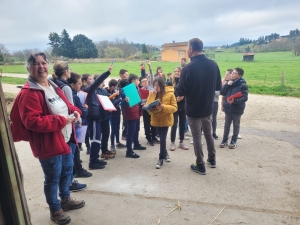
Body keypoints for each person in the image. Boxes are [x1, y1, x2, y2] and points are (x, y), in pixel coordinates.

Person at [10, 52, 85, 224]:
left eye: (44, 63)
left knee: (67, 171)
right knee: (52, 177)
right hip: (48, 143)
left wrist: (75, 111)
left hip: (65, 138)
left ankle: (65, 199)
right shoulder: (29, 92)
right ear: (29, 68)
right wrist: (62, 120)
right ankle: (55, 209)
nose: (41, 66)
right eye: (36, 64)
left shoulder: (52, 85)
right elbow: (31, 121)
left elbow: (67, 104)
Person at [176, 38, 222, 175]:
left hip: (193, 108)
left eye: (187, 49)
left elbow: (180, 91)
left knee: (196, 136)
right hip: (208, 106)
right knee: (208, 134)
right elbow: (218, 86)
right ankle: (212, 159)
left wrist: (178, 85)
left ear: (191, 50)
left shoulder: (187, 68)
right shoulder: (213, 65)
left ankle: (200, 164)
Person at [51, 61, 86, 192]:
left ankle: (69, 182)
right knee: (69, 157)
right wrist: (78, 117)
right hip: (68, 124)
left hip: (62, 125)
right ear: (66, 72)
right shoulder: (65, 87)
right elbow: (70, 107)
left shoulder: (54, 83)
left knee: (68, 156)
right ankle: (69, 183)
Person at [82, 65, 112, 169]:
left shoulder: (93, 90)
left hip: (97, 116)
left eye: (92, 78)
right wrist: (107, 73)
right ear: (85, 81)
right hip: (93, 117)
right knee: (95, 139)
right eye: (90, 79)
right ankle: (93, 162)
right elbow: (96, 83)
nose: (92, 80)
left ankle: (95, 158)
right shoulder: (88, 89)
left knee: (97, 139)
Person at [145, 76, 177, 169]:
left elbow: (174, 108)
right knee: (162, 140)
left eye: (158, 85)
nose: (156, 87)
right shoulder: (153, 93)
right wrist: (152, 95)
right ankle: (165, 153)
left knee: (162, 139)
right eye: (154, 85)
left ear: (162, 85)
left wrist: (163, 107)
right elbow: (148, 105)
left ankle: (161, 158)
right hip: (156, 119)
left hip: (165, 119)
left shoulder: (170, 94)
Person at [67, 72, 92, 178]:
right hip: (75, 125)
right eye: (79, 83)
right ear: (72, 85)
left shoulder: (69, 93)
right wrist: (86, 109)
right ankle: (77, 170)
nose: (80, 85)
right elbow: (82, 112)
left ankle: (76, 169)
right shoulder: (74, 96)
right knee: (75, 148)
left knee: (75, 148)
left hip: (71, 125)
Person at [220, 68, 248, 149]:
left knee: (236, 125)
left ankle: (233, 141)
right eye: (232, 73)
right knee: (226, 125)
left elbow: (245, 98)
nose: (232, 74)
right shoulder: (229, 83)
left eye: (234, 73)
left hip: (237, 108)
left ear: (239, 75)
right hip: (228, 107)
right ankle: (224, 140)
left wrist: (234, 101)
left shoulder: (243, 85)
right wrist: (227, 85)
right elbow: (222, 93)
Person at [120, 74, 146, 158]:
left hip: (136, 111)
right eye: (137, 80)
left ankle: (136, 144)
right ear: (133, 81)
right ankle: (129, 151)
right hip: (131, 113)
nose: (139, 82)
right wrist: (125, 100)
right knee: (131, 132)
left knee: (136, 129)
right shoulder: (126, 90)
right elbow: (123, 104)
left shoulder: (135, 88)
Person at [93, 74, 115, 160]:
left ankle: (105, 149)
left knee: (106, 133)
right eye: (101, 81)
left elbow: (107, 99)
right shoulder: (95, 91)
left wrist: (110, 104)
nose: (103, 83)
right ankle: (103, 151)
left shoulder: (103, 90)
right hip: (100, 116)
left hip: (106, 115)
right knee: (101, 135)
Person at [167, 67, 189, 151]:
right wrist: (175, 98)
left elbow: (189, 93)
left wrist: (183, 97)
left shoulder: (185, 82)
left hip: (183, 106)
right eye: (175, 71)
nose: (177, 73)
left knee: (182, 124)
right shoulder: (169, 82)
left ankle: (181, 142)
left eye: (178, 71)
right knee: (174, 125)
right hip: (174, 106)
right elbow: (168, 94)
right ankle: (172, 142)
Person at [140, 61, 159, 145]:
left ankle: (154, 136)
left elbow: (152, 76)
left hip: (152, 107)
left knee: (153, 122)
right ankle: (149, 138)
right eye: (143, 82)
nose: (145, 82)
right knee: (147, 123)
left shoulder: (151, 86)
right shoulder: (140, 90)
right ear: (141, 83)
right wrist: (142, 103)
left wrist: (150, 66)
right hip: (145, 108)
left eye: (146, 81)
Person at [105, 79, 126, 152]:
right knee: (113, 129)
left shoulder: (115, 92)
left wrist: (117, 99)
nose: (117, 88)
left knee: (117, 128)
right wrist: (119, 99)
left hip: (117, 112)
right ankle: (112, 144)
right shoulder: (106, 92)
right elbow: (112, 103)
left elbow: (116, 101)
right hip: (112, 114)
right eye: (116, 86)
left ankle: (117, 142)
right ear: (112, 86)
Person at [119, 69, 129, 140]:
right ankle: (124, 134)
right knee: (125, 120)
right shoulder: (119, 83)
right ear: (121, 75)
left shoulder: (128, 82)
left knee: (128, 119)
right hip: (123, 104)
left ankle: (127, 132)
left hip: (129, 103)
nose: (127, 76)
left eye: (127, 74)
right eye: (126, 74)